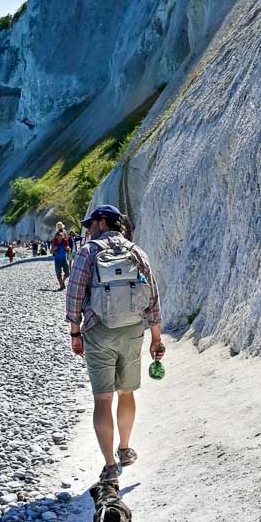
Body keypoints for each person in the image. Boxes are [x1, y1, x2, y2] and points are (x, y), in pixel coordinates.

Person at [66, 204, 163, 484]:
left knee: (103, 398)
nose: (87, 229)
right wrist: (156, 336)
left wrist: (75, 333)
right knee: (127, 393)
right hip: (132, 330)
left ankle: (109, 465)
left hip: (99, 331)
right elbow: (152, 294)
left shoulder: (88, 252)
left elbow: (74, 295)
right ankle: (125, 448)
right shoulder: (136, 251)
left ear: (103, 222)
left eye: (90, 224)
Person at [50, 222, 70, 289]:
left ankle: (62, 282)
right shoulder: (56, 233)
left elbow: (66, 238)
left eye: (60, 226)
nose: (59, 227)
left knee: (67, 273)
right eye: (58, 226)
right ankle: (61, 285)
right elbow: (52, 248)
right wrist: (54, 249)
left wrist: (67, 248)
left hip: (64, 258)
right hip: (57, 259)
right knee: (58, 273)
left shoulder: (64, 232)